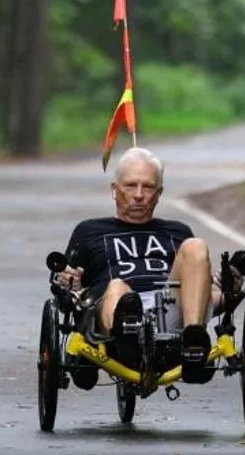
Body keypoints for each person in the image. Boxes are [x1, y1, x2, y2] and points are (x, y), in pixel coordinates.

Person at [57, 146, 216, 383]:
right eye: (131, 185)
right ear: (114, 190)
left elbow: (205, 293)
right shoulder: (89, 231)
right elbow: (67, 297)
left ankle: (193, 342)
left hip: (169, 312)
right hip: (113, 315)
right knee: (119, 287)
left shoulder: (178, 232)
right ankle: (130, 346)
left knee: (196, 246)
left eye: (148, 186)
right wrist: (70, 282)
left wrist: (231, 288)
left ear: (159, 193)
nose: (139, 194)